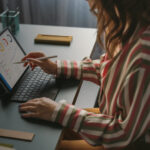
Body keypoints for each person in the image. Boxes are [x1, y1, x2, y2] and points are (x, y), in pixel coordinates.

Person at [19, 0, 150, 149]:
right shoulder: (129, 25)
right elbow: (106, 69)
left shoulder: (143, 57)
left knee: (46, 145)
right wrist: (56, 67)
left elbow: (122, 134)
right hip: (115, 121)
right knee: (47, 126)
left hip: (131, 142)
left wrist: (58, 112)